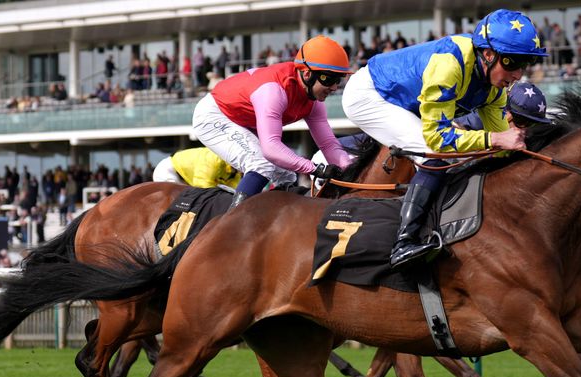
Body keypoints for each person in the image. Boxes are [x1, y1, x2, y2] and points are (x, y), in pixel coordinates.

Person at [342, 8, 544, 267]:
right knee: (436, 154)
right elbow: (441, 139)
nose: (518, 75)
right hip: (369, 95)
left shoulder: (494, 91)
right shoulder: (450, 64)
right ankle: (403, 242)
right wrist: (494, 140)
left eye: (523, 65)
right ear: (488, 54)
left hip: (406, 101)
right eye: (512, 63)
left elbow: (504, 149)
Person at [192, 35, 352, 210]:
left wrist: (351, 169)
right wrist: (314, 168)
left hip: (244, 120)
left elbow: (329, 145)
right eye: (329, 79)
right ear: (307, 74)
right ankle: (232, 225)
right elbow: (271, 148)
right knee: (263, 164)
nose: (335, 87)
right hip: (213, 115)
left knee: (287, 175)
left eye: (339, 79)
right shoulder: (274, 91)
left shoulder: (314, 102)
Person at [152, 147, 242, 189]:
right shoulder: (214, 159)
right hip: (167, 170)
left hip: (182, 177)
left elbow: (236, 190)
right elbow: (201, 186)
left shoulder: (235, 173)